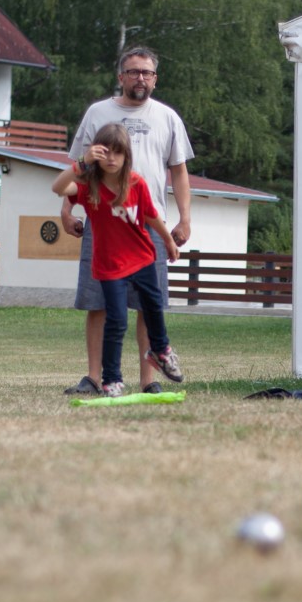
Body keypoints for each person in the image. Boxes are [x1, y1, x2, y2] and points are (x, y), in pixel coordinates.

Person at [60, 47, 194, 396]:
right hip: (102, 223)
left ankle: (148, 381)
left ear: (155, 79)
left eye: (147, 73)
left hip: (148, 225)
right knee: (98, 303)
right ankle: (94, 378)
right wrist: (66, 210)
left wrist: (184, 218)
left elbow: (179, 173)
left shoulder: (167, 117)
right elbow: (79, 166)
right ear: (120, 76)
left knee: (149, 305)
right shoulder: (98, 112)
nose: (140, 78)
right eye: (133, 72)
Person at [50, 123, 184, 398]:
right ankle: (112, 380)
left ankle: (161, 351)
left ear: (126, 157)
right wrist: (82, 162)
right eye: (105, 152)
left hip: (143, 257)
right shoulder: (88, 187)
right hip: (110, 266)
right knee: (117, 321)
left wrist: (168, 240)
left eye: (118, 153)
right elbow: (58, 187)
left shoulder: (136, 183)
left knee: (153, 307)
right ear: (96, 154)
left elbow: (150, 215)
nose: (111, 158)